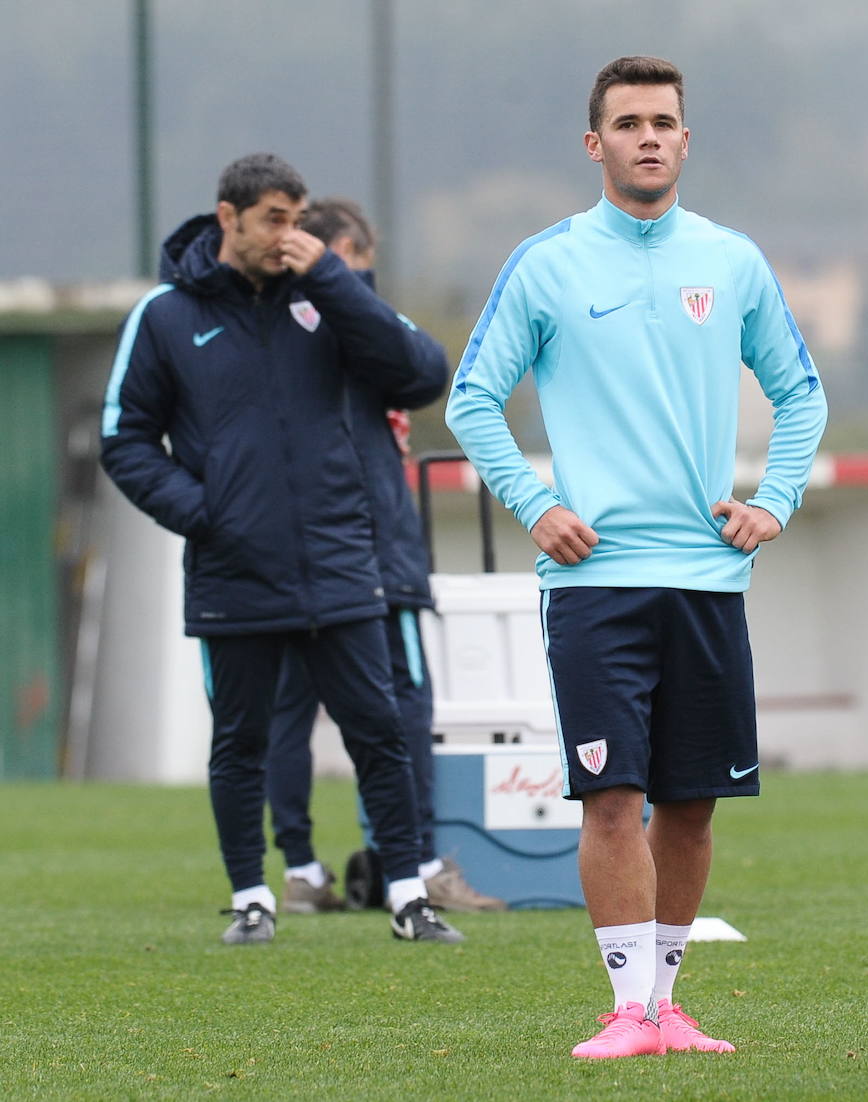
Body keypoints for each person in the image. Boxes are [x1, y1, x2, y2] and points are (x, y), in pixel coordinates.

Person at [447, 56, 827, 1058]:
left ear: (685, 140)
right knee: (611, 798)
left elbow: (803, 394)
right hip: (594, 581)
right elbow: (471, 399)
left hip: (707, 576)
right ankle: (628, 1011)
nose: (648, 136)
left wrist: (774, 502)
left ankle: (666, 1006)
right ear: (596, 144)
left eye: (664, 121)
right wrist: (536, 502)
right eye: (628, 122)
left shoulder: (732, 261)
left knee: (692, 807)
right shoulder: (547, 263)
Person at [101, 153, 461, 945]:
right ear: (227, 217)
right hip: (232, 572)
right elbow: (123, 440)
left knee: (380, 732)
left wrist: (332, 278)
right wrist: (208, 514)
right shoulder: (164, 315)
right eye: (273, 219)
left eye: (297, 220)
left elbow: (421, 372)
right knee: (242, 742)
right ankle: (252, 897)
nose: (287, 236)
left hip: (340, 566)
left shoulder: (324, 295)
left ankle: (406, 894)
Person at [263, 198, 505, 918]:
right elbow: (423, 367)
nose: (358, 286)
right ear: (336, 250)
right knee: (400, 707)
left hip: (300, 553)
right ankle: (419, 863)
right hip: (371, 559)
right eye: (355, 268)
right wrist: (345, 288)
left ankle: (303, 869)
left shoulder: (280, 335)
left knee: (289, 712)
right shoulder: (345, 325)